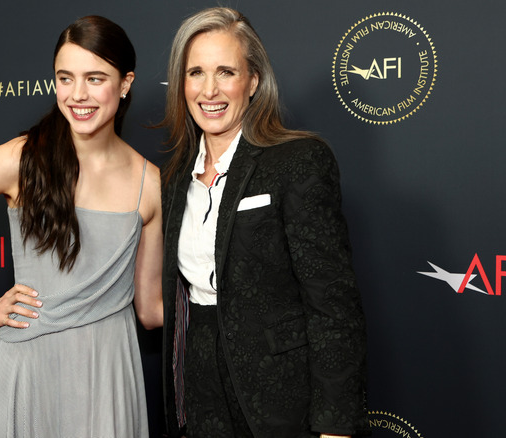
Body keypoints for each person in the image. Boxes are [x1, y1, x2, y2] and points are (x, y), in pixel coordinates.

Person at [0, 15, 163, 438]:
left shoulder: (151, 184)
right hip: (30, 366)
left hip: (109, 371)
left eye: (95, 78)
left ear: (126, 82)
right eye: (66, 77)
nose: (78, 94)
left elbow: (151, 310)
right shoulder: (20, 161)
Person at [158, 7, 368, 438]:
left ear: (253, 81)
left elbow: (332, 306)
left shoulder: (297, 161)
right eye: (195, 72)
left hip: (282, 402)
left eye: (226, 72)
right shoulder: (175, 180)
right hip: (201, 400)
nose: (209, 89)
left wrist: (336, 426)